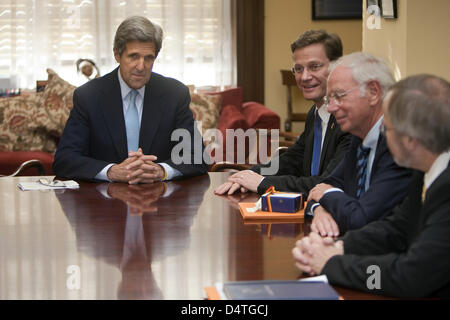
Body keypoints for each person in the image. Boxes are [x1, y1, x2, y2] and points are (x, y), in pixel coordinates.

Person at [292, 74, 450, 298]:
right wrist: (339, 246)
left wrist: (332, 265)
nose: (382, 136)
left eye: (387, 128)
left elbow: (411, 277)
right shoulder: (425, 170)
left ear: (410, 140)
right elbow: (396, 229)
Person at [53, 16, 207, 183]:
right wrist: (111, 171)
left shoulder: (174, 94)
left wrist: (162, 171)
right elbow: (65, 159)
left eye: (148, 58)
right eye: (133, 56)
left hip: (161, 198)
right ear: (117, 55)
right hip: (104, 201)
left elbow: (197, 156)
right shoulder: (89, 96)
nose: (141, 66)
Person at [214, 30, 350, 196]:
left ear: (337, 67)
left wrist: (262, 183)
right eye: (299, 69)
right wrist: (248, 175)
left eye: (314, 66)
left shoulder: (349, 119)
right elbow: (293, 158)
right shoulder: (315, 113)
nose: (305, 76)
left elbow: (327, 184)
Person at [305, 52, 411, 237]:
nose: (330, 107)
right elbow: (324, 185)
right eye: (329, 99)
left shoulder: (399, 143)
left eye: (338, 96)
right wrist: (320, 210)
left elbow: (361, 219)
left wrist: (327, 196)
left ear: (373, 92)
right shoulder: (359, 135)